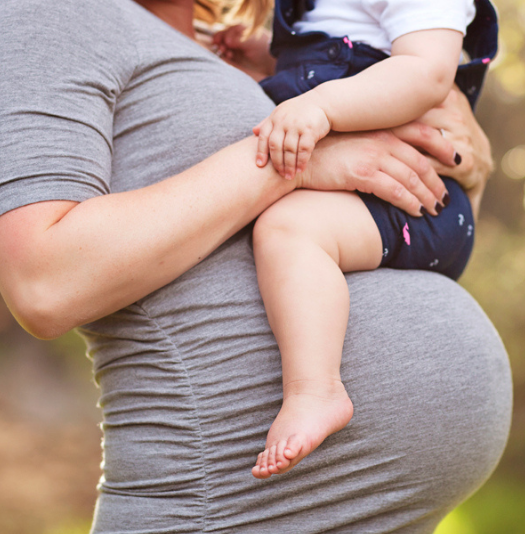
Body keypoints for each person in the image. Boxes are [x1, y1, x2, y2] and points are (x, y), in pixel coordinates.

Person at [0, 0, 512, 531]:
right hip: (220, 508)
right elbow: (43, 281)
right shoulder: (41, 9)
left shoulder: (269, 51)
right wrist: (294, 164)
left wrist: (463, 178)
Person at [212, 0, 498, 478]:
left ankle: (315, 391)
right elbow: (338, 46)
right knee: (288, 225)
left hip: (419, 196)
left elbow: (425, 72)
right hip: (386, 189)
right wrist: (262, 53)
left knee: (290, 228)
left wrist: (319, 106)